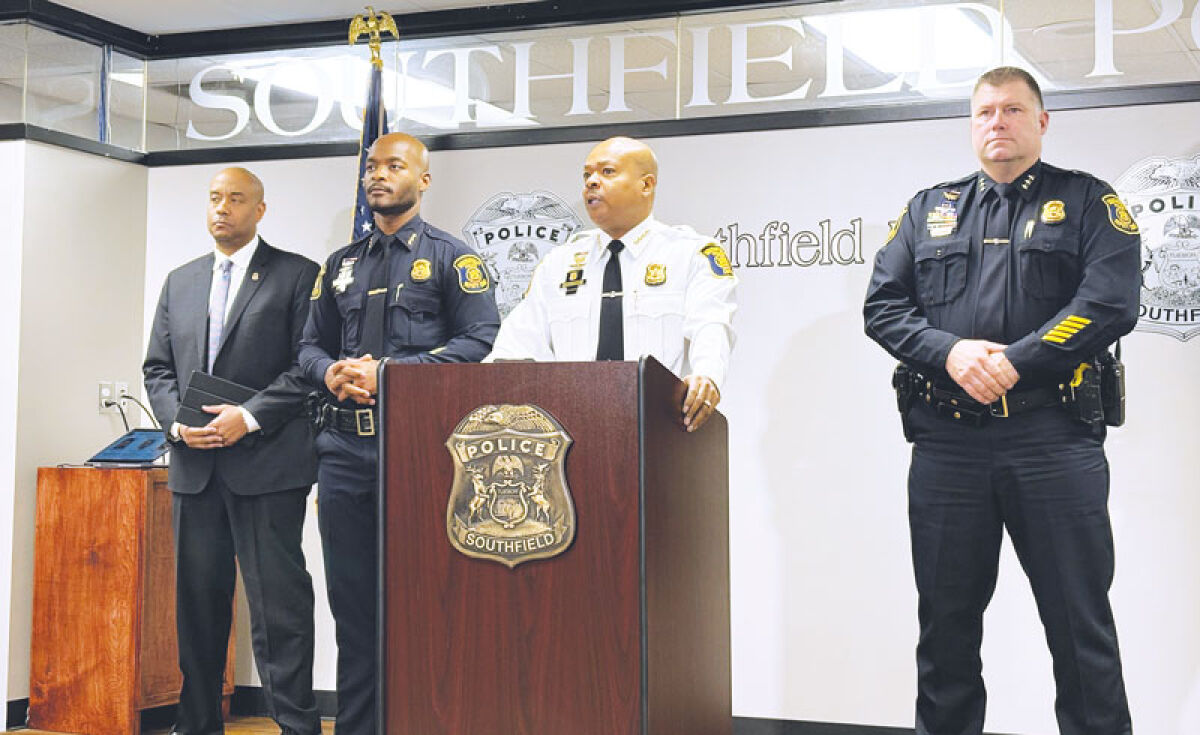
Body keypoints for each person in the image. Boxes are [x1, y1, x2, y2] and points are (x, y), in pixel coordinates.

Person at [863, 66, 1139, 735]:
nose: (998, 122)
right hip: (948, 447)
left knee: (1080, 628)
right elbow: (883, 307)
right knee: (946, 629)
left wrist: (1018, 361)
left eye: (1013, 110)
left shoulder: (1088, 202)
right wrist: (949, 352)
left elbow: (1109, 304)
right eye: (985, 111)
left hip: (1053, 441)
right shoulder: (929, 208)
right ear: (971, 124)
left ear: (1041, 122)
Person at [298, 132, 499, 735]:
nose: (378, 175)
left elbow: (479, 341)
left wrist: (389, 374)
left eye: (393, 166)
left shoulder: (452, 259)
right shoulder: (340, 264)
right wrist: (329, 371)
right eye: (371, 167)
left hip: (419, 454)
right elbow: (308, 346)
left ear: (423, 180)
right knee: (353, 608)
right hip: (343, 453)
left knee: (427, 601)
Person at [143, 168, 320, 735]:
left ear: (260, 210)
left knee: (279, 610)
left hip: (268, 466)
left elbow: (306, 368)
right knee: (197, 607)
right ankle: (196, 724)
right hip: (195, 467)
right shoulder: (181, 281)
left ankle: (296, 726)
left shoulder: (298, 275)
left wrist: (248, 417)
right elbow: (158, 369)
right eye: (215, 198)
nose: (223, 208)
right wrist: (176, 425)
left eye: (236, 199)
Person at [484, 136, 737, 432]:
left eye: (607, 172)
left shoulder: (690, 254)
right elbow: (515, 347)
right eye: (587, 175)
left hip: (660, 428)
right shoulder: (559, 263)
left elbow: (712, 325)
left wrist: (707, 375)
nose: (591, 182)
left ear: (646, 185)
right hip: (570, 429)